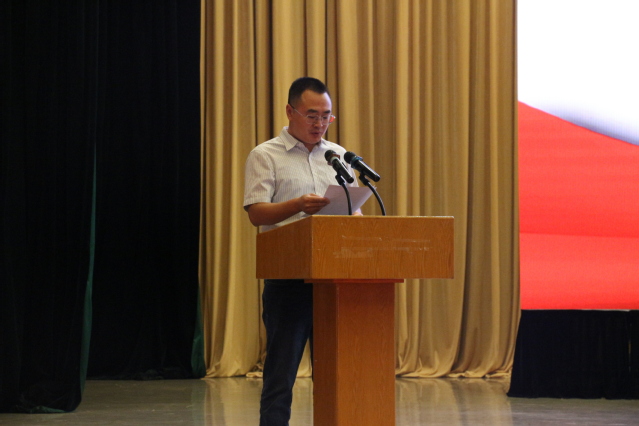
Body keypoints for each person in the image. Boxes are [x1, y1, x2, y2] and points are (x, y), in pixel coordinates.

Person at [243, 77, 360, 425]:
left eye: (326, 116)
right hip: (289, 280)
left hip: (334, 280)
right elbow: (256, 212)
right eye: (312, 115)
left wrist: (358, 220)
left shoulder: (338, 156)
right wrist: (297, 205)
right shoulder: (266, 155)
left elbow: (353, 210)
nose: (319, 123)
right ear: (290, 111)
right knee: (281, 374)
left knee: (336, 373)